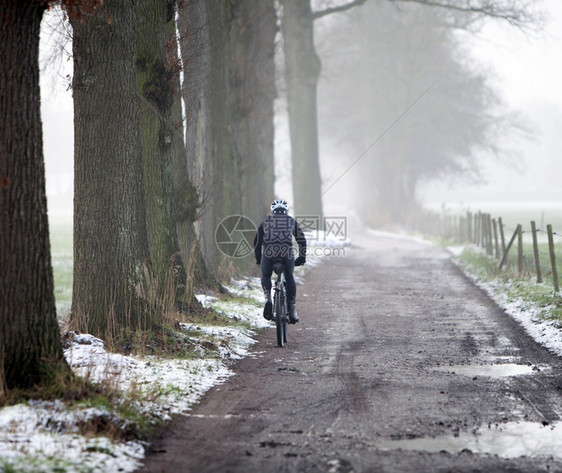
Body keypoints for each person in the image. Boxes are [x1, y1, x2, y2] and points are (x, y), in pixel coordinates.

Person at [254, 199, 307, 323]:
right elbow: (302, 241)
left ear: (273, 211)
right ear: (286, 210)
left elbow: (257, 244)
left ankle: (268, 298)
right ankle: (292, 310)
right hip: (286, 252)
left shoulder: (265, 222)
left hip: (269, 252)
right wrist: (302, 257)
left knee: (266, 275)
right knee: (289, 277)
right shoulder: (291, 221)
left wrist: (259, 260)